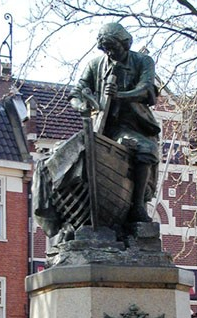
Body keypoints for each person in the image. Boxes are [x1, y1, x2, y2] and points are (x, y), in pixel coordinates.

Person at [69, 22, 161, 224]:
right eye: (106, 49)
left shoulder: (143, 61)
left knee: (146, 149)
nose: (110, 53)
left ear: (125, 43)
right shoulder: (95, 65)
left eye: (113, 48)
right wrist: (82, 105)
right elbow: (76, 92)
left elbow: (146, 89)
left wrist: (120, 95)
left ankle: (137, 207)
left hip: (133, 126)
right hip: (103, 128)